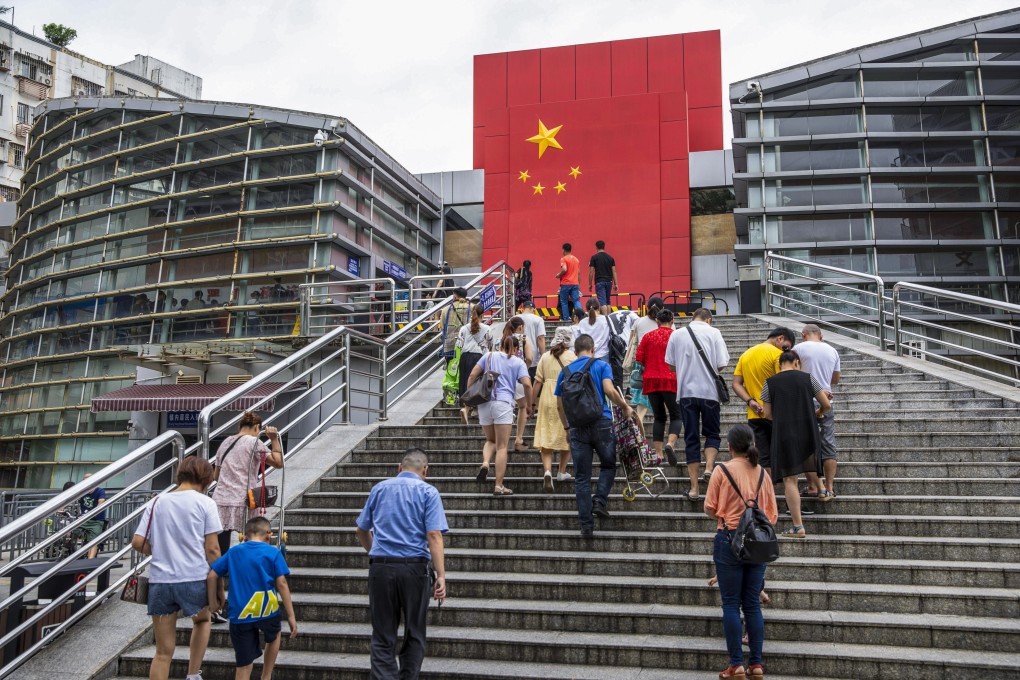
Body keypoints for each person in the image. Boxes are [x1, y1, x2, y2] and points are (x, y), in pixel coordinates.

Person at [355, 448, 448, 680]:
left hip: (381, 568)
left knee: (383, 634)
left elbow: (361, 529)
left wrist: (375, 552)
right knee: (415, 631)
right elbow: (434, 535)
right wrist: (441, 575)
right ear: (425, 470)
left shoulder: (380, 488)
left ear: (399, 467)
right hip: (415, 569)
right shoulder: (429, 492)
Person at [131, 457, 222, 680]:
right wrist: (219, 584)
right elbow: (212, 550)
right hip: (193, 578)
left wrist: (162, 550)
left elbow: (137, 541)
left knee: (162, 652)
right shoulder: (205, 503)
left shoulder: (157, 502)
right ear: (206, 478)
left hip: (160, 582)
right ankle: (193, 674)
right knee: (202, 621)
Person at [704, 425, 779, 680]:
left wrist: (728, 517)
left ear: (730, 447)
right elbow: (772, 516)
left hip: (728, 539)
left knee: (730, 604)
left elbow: (709, 508)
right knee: (752, 606)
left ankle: (736, 664)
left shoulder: (721, 470)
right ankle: (756, 664)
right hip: (757, 545)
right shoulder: (763, 475)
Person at [555, 334, 634, 537]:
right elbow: (609, 390)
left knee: (582, 477)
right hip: (602, 423)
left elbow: (560, 405)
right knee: (608, 464)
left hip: (577, 428)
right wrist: (625, 406)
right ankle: (599, 500)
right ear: (593, 349)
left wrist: (566, 428)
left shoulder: (565, 372)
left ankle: (586, 525)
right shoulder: (601, 366)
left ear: (575, 351)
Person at [208, 516, 297, 680]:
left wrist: (213, 603)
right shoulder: (273, 553)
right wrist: (291, 615)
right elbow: (282, 584)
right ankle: (266, 675)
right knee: (275, 635)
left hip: (240, 613)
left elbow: (212, 576)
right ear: (269, 535)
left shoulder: (234, 552)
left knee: (243, 665)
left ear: (244, 536)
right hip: (267, 610)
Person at [761, 350, 831, 538]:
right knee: (809, 460)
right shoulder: (808, 378)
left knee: (789, 479)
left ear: (780, 365)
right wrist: (818, 413)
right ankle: (823, 489)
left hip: (783, 433)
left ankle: (798, 526)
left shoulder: (769, 383)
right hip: (808, 430)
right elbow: (826, 405)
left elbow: (767, 414)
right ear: (797, 363)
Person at [665, 308, 730, 499]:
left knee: (691, 437)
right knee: (712, 433)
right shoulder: (714, 332)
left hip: (686, 393)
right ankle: (709, 468)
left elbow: (670, 364)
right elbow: (722, 362)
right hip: (710, 393)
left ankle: (694, 489)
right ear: (709, 319)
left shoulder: (677, 334)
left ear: (693, 317)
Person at [212, 413, 284, 571]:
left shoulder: (225, 442)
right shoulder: (255, 443)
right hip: (244, 500)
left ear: (240, 426)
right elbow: (278, 462)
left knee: (221, 544)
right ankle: (247, 572)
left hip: (221, 499)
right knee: (251, 539)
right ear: (257, 427)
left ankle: (220, 576)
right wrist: (273, 439)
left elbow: (216, 475)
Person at [467, 335, 534, 495]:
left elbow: (472, 375)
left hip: (484, 403)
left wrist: (469, 397)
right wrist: (530, 405)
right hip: (503, 404)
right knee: (502, 447)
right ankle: (498, 485)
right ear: (517, 349)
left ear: (500, 345)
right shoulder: (518, 362)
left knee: (490, 440)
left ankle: (485, 463)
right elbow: (527, 384)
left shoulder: (489, 356)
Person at [731, 328, 795, 474]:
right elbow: (784, 383)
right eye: (787, 345)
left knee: (763, 458)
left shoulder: (746, 354)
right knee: (784, 455)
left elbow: (736, 383)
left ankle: (766, 490)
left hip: (754, 415)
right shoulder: (778, 355)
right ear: (780, 338)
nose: (786, 350)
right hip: (776, 414)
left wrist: (750, 401)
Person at [795, 324, 842, 501]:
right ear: (821, 336)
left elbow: (794, 374)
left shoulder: (798, 348)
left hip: (804, 401)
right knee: (828, 443)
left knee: (806, 445)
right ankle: (829, 487)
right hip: (826, 400)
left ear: (803, 335)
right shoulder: (832, 350)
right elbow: (835, 379)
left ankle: (814, 486)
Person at [635, 309, 682, 474]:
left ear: (657, 321)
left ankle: (659, 453)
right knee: (676, 415)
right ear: (673, 320)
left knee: (659, 417)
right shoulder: (676, 336)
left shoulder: (648, 336)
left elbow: (639, 358)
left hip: (651, 380)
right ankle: (670, 444)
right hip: (671, 380)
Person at [532, 327, 577, 492]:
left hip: (546, 398)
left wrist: (531, 404)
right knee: (568, 435)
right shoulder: (573, 357)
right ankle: (562, 471)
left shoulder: (545, 357)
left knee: (546, 434)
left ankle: (547, 471)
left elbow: (537, 382)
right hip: (565, 398)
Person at [627, 297, 664, 435]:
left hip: (642, 362)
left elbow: (631, 341)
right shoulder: (667, 323)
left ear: (646, 308)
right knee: (660, 396)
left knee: (643, 396)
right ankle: (659, 427)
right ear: (663, 308)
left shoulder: (638, 321)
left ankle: (639, 423)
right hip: (660, 364)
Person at [501, 316, 535, 451]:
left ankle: (503, 439)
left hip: (503, 379)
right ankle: (519, 438)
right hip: (518, 379)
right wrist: (523, 368)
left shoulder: (501, 339)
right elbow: (530, 358)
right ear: (520, 327)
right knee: (522, 407)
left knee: (506, 407)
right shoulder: (523, 339)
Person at [456, 303, 493, 424]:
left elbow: (459, 345)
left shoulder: (464, 328)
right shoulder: (487, 328)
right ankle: (474, 409)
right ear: (483, 314)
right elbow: (490, 345)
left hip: (465, 357)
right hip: (479, 358)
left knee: (465, 382)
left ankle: (466, 407)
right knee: (478, 384)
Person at [77, 472, 106, 559]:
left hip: (96, 520)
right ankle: (69, 553)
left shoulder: (100, 491)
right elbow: (68, 498)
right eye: (85, 481)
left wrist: (93, 512)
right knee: (69, 533)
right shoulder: (81, 491)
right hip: (83, 519)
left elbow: (101, 501)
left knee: (93, 541)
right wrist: (62, 508)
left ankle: (90, 561)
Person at [519, 299, 547, 381]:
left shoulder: (513, 319)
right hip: (533, 358)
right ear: (533, 309)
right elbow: (540, 338)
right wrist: (543, 356)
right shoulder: (538, 319)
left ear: (523, 308)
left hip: (516, 356)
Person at [587, 240, 619, 312]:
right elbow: (614, 271)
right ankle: (608, 318)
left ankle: (605, 319)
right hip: (609, 281)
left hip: (600, 281)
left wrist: (590, 284)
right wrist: (616, 284)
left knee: (602, 302)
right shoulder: (610, 258)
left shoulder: (594, 257)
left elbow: (591, 271)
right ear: (604, 247)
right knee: (608, 301)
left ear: (596, 247)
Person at [441, 287, 470, 361]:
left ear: (455, 296)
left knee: (451, 369)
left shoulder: (445, 309)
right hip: (465, 344)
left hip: (449, 345)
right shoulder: (470, 307)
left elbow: (442, 327)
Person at [555, 243, 581, 322]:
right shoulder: (576, 260)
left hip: (566, 283)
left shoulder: (564, 259)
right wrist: (578, 284)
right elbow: (579, 273)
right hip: (575, 283)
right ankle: (580, 316)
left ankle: (566, 318)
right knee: (576, 301)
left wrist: (558, 275)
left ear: (563, 250)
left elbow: (564, 269)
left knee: (564, 302)